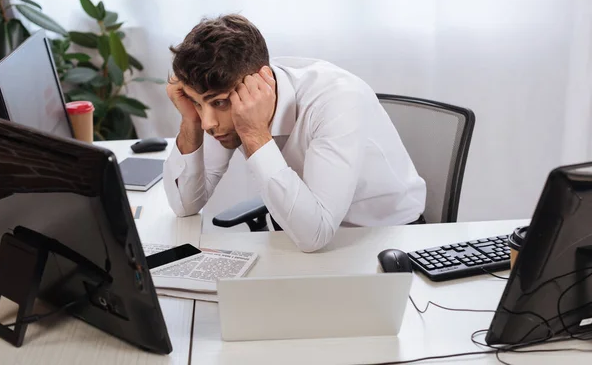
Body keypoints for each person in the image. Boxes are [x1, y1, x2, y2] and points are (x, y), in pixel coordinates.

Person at [163, 14, 426, 252]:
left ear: (257, 84)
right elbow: (185, 205)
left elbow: (315, 236)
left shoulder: (337, 101)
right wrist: (190, 122)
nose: (208, 122)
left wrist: (254, 134)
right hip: (300, 238)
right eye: (197, 102)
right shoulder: (222, 110)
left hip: (385, 239)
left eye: (218, 102)